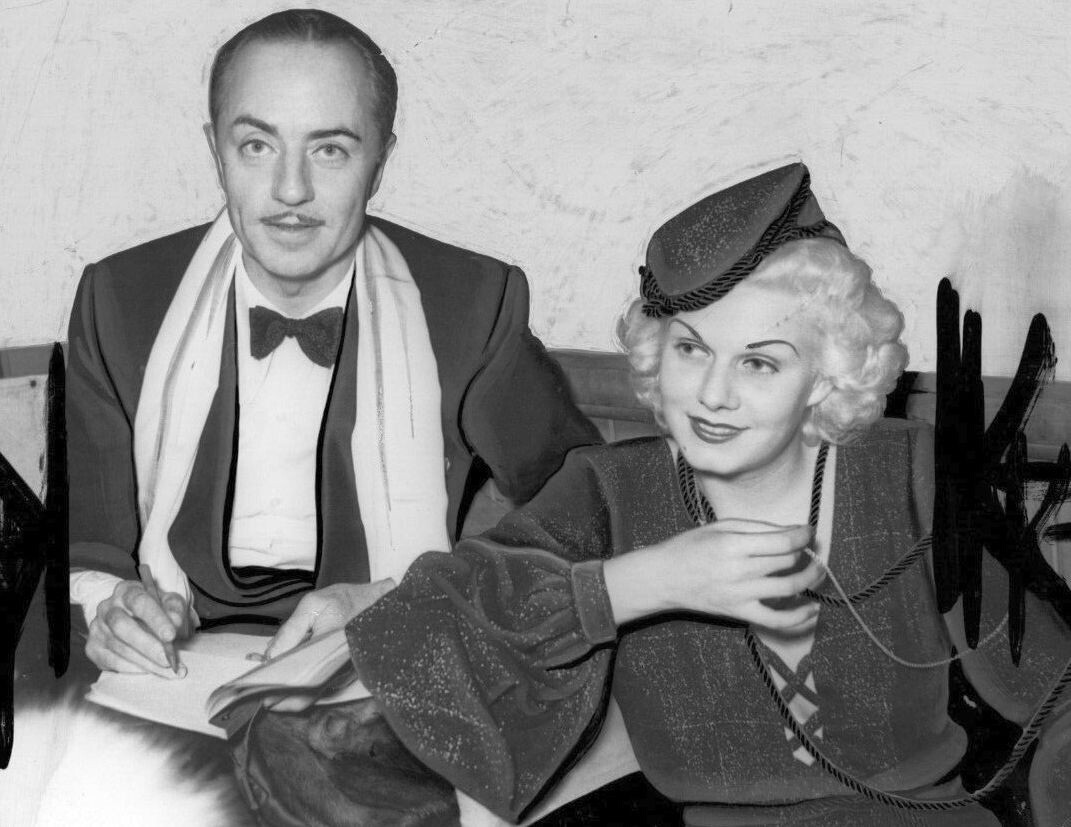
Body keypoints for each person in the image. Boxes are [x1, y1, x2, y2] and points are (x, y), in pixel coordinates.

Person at [348, 163, 1068, 825]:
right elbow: (413, 636)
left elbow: (1055, 689)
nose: (712, 395)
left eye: (759, 363)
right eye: (691, 349)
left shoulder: (911, 476)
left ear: (826, 375)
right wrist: (636, 584)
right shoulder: (609, 492)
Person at [66, 8, 599, 678]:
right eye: (256, 146)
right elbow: (85, 541)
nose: (291, 190)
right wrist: (112, 606)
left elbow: (593, 506)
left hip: (393, 657)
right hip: (167, 672)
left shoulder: (470, 304)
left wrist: (405, 599)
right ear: (215, 151)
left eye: (330, 150)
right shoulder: (120, 299)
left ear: (379, 163)